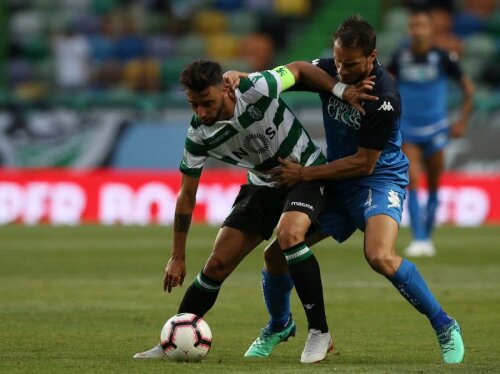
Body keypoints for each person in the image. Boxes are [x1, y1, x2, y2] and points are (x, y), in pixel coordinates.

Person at [225, 15, 464, 364]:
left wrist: (305, 173)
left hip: (378, 179)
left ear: (372, 57)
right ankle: (279, 325)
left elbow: (363, 163)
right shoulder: (335, 72)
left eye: (350, 65)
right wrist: (250, 78)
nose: (341, 70)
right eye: (337, 61)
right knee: (276, 255)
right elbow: (299, 70)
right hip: (336, 180)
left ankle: (445, 325)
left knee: (379, 255)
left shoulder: (383, 98)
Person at [133, 59, 377, 363]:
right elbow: (186, 195)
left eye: (207, 103)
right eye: (194, 105)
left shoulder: (255, 88)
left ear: (224, 87)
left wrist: (341, 90)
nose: (202, 113)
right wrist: (178, 256)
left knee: (288, 235)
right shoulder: (198, 134)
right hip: (262, 184)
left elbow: (300, 69)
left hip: (305, 173)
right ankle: (175, 338)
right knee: (218, 262)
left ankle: (319, 332)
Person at [388, 7, 474, 256]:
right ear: (409, 29)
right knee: (413, 181)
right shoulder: (400, 57)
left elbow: (468, 89)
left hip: (437, 128)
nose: (418, 30)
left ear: (430, 29)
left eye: (422, 26)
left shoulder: (444, 57)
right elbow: (387, 86)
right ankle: (419, 239)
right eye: (414, 26)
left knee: (434, 184)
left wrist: (461, 122)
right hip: (409, 129)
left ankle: (427, 235)